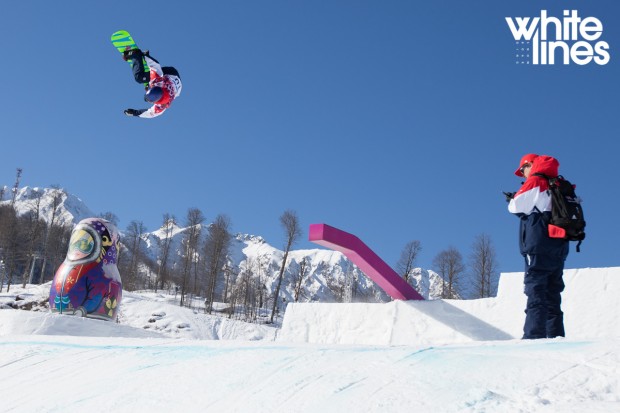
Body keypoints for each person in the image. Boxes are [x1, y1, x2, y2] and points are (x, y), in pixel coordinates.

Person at [507, 154, 569, 339]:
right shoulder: (559, 183)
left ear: (530, 165)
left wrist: (513, 198)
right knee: (553, 292)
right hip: (559, 245)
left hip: (538, 244)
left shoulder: (536, 181)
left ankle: (534, 337)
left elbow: (516, 206)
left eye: (523, 169)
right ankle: (556, 337)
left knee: (536, 290)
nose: (523, 174)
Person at [122, 48, 182, 118]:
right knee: (139, 78)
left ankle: (148, 83)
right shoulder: (157, 80)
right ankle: (135, 54)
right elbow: (155, 65)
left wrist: (134, 113)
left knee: (150, 81)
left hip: (177, 85)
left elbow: (150, 113)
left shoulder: (162, 105)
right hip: (170, 73)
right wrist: (145, 56)